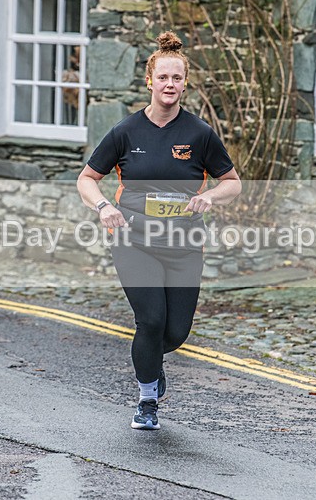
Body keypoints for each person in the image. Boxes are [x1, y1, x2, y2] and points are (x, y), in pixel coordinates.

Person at [77, 31, 242, 430]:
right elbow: (87, 178)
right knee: (150, 321)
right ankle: (147, 399)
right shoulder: (126, 131)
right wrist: (103, 207)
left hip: (184, 242)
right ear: (149, 81)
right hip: (134, 240)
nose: (170, 85)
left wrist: (211, 197)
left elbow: (232, 182)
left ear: (185, 84)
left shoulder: (199, 133)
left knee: (176, 332)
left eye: (177, 78)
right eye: (163, 78)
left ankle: (152, 359)